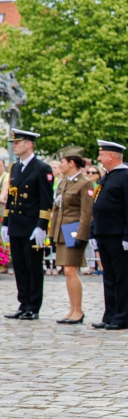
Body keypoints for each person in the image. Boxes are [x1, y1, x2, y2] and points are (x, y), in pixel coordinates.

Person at [89, 140, 128, 330]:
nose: (98, 158)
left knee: (121, 276)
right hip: (104, 233)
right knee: (109, 276)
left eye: (101, 155)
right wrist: (94, 231)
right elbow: (98, 204)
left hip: (118, 234)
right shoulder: (108, 176)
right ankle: (109, 314)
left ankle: (121, 317)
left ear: (111, 156)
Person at [2, 129, 53, 320]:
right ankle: (23, 303)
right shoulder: (15, 168)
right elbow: (11, 197)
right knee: (20, 266)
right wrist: (6, 222)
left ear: (29, 144)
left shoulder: (42, 168)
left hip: (32, 225)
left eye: (17, 142)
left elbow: (46, 200)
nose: (14, 146)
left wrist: (41, 226)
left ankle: (33, 306)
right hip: (16, 223)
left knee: (33, 266)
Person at [49, 147, 94, 323]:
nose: (60, 165)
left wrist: (81, 236)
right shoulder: (63, 182)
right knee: (67, 271)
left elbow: (86, 213)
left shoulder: (85, 183)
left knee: (70, 270)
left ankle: (78, 311)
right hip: (62, 229)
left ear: (72, 163)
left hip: (74, 230)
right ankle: (72, 309)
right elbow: (57, 208)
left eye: (63, 162)